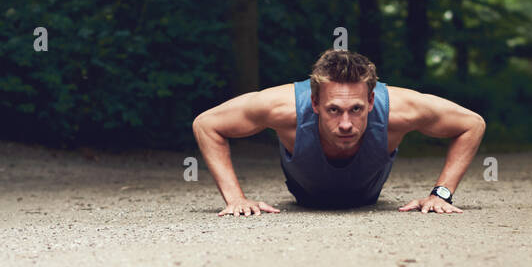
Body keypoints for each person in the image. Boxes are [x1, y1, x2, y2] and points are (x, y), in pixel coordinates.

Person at [192, 48, 485, 215]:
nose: (346, 123)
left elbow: (471, 124)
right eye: (334, 110)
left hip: (367, 194)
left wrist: (441, 194)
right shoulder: (281, 107)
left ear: (371, 101)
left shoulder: (401, 109)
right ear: (315, 102)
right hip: (305, 195)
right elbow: (207, 124)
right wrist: (236, 199)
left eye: (356, 109)